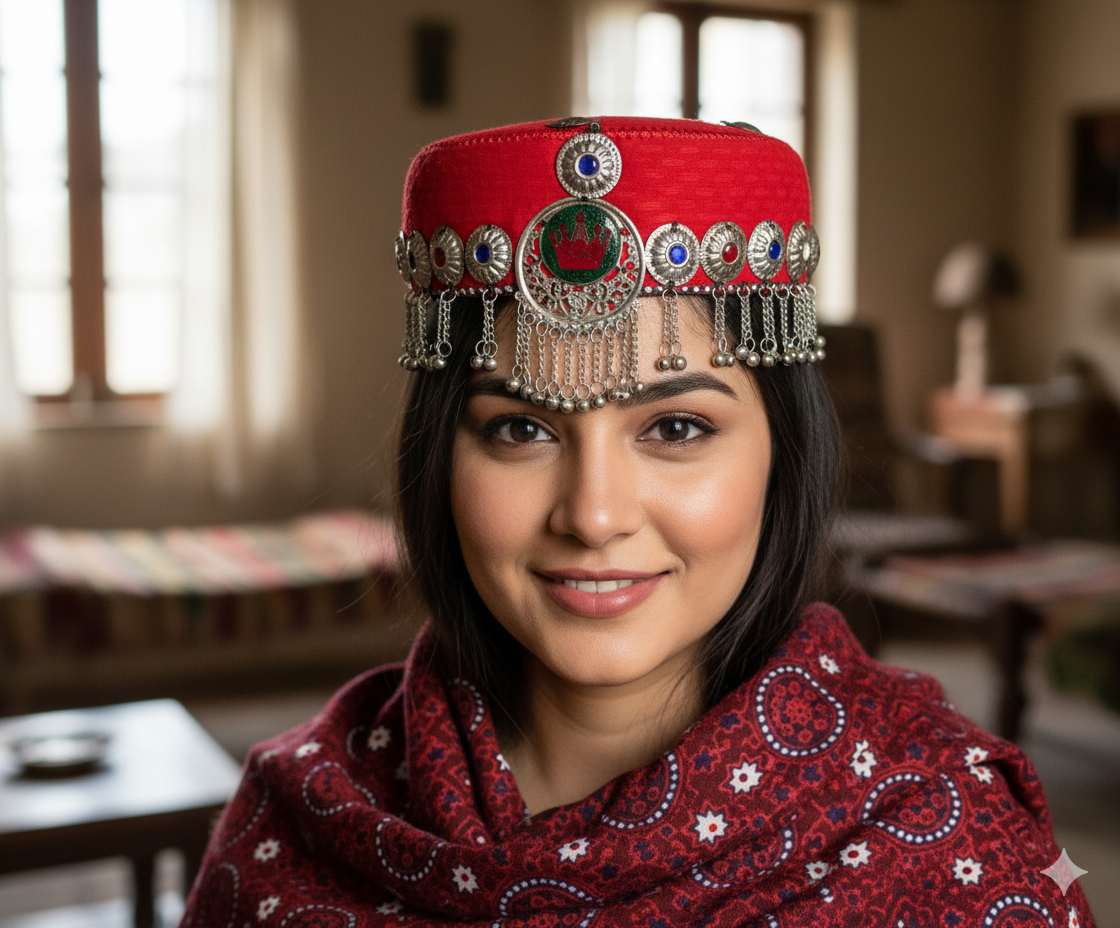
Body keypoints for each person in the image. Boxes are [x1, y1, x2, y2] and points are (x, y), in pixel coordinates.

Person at [182, 118, 1096, 927]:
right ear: (439, 458)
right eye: (521, 428)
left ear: (784, 453)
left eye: (677, 427)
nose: (595, 514)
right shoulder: (295, 825)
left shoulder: (951, 838)